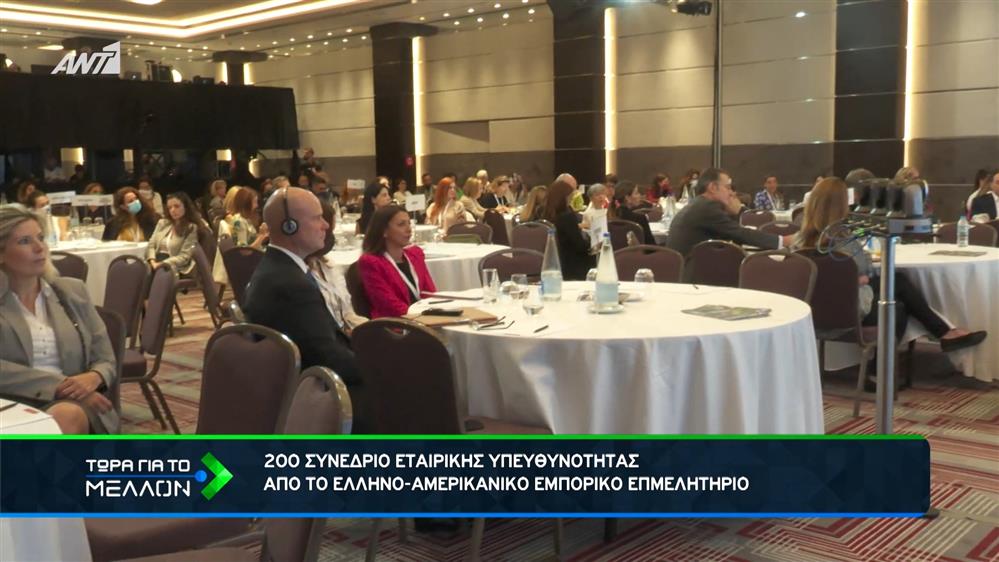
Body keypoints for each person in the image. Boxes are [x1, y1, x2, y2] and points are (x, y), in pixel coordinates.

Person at [796, 177, 986, 354]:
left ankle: (942, 334)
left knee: (896, 283)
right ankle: (936, 337)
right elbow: (865, 270)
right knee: (896, 304)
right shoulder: (843, 240)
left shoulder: (800, 241)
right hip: (846, 312)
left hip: (813, 314)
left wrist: (858, 278)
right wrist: (859, 278)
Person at [243, 188, 363, 428]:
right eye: (317, 218)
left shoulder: (277, 268)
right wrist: (378, 366)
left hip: (296, 384)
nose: (326, 226)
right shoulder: (291, 284)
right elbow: (328, 358)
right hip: (319, 396)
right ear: (290, 226)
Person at [0, 206, 118, 434]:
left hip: (77, 404)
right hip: (10, 405)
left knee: (65, 415)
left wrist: (94, 377)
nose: (39, 247)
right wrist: (58, 386)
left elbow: (105, 359)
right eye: (24, 241)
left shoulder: (72, 292)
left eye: (41, 238)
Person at [665, 168, 790, 257]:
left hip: (687, 267)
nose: (731, 193)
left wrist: (734, 213)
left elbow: (729, 235)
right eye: (728, 187)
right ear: (713, 188)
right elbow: (739, 233)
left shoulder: (700, 204)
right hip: (690, 274)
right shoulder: (707, 207)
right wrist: (782, 241)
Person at [358, 206, 438, 319]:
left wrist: (436, 312)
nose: (409, 229)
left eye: (409, 223)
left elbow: (429, 293)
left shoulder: (415, 255)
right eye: (401, 224)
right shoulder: (371, 262)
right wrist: (421, 318)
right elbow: (388, 305)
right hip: (395, 323)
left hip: (424, 319)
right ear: (384, 231)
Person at [307, 203, 368, 334]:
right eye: (329, 232)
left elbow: (347, 313)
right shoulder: (301, 275)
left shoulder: (329, 265)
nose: (331, 238)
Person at [541, 180, 594, 281]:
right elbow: (580, 245)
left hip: (552, 261)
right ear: (564, 198)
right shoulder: (567, 217)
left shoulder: (544, 214)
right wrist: (593, 243)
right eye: (570, 197)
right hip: (571, 265)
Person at [145, 193, 201, 276]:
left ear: (185, 207)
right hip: (155, 262)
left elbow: (184, 256)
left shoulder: (191, 228)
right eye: (169, 208)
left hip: (174, 266)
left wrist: (162, 263)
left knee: (160, 273)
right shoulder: (162, 223)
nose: (173, 210)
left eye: (177, 206)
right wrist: (152, 261)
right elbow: (151, 245)